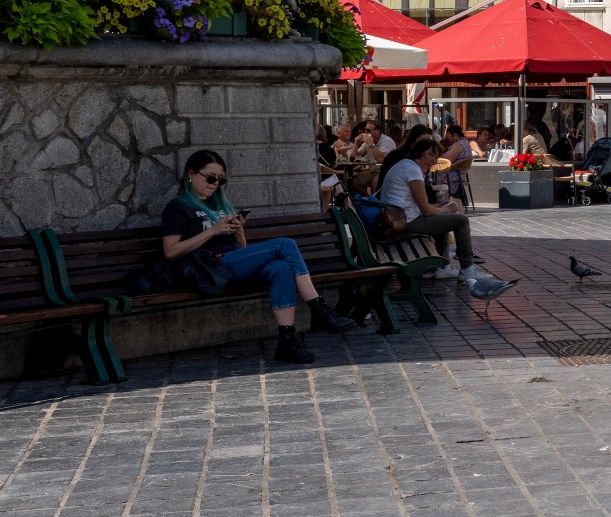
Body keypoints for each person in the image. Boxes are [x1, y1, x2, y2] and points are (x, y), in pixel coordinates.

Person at [162, 150, 355, 364]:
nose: (215, 184)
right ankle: (319, 308)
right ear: (191, 174)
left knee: (282, 267)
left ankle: (287, 342)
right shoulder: (178, 207)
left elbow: (241, 247)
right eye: (210, 177)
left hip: (234, 262)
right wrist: (212, 231)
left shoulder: (220, 204)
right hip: (211, 267)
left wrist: (238, 229)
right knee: (286, 244)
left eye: (220, 179)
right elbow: (170, 251)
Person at [379, 131, 478, 277]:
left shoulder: (406, 165)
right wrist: (447, 209)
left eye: (436, 156)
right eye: (430, 155)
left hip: (400, 217)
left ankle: (442, 266)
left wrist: (440, 207)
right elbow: (426, 211)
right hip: (405, 221)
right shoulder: (412, 170)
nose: (433, 160)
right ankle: (467, 269)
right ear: (418, 152)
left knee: (444, 221)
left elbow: (419, 205)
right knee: (461, 221)